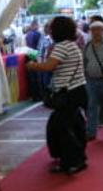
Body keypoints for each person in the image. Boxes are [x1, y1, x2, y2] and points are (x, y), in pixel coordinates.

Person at [27, 16, 88, 175]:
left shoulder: (61, 47)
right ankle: (77, 156)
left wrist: (33, 65)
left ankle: (73, 160)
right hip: (78, 89)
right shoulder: (73, 45)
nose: (50, 31)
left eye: (52, 28)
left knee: (62, 127)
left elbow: (49, 66)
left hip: (66, 92)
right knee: (74, 124)